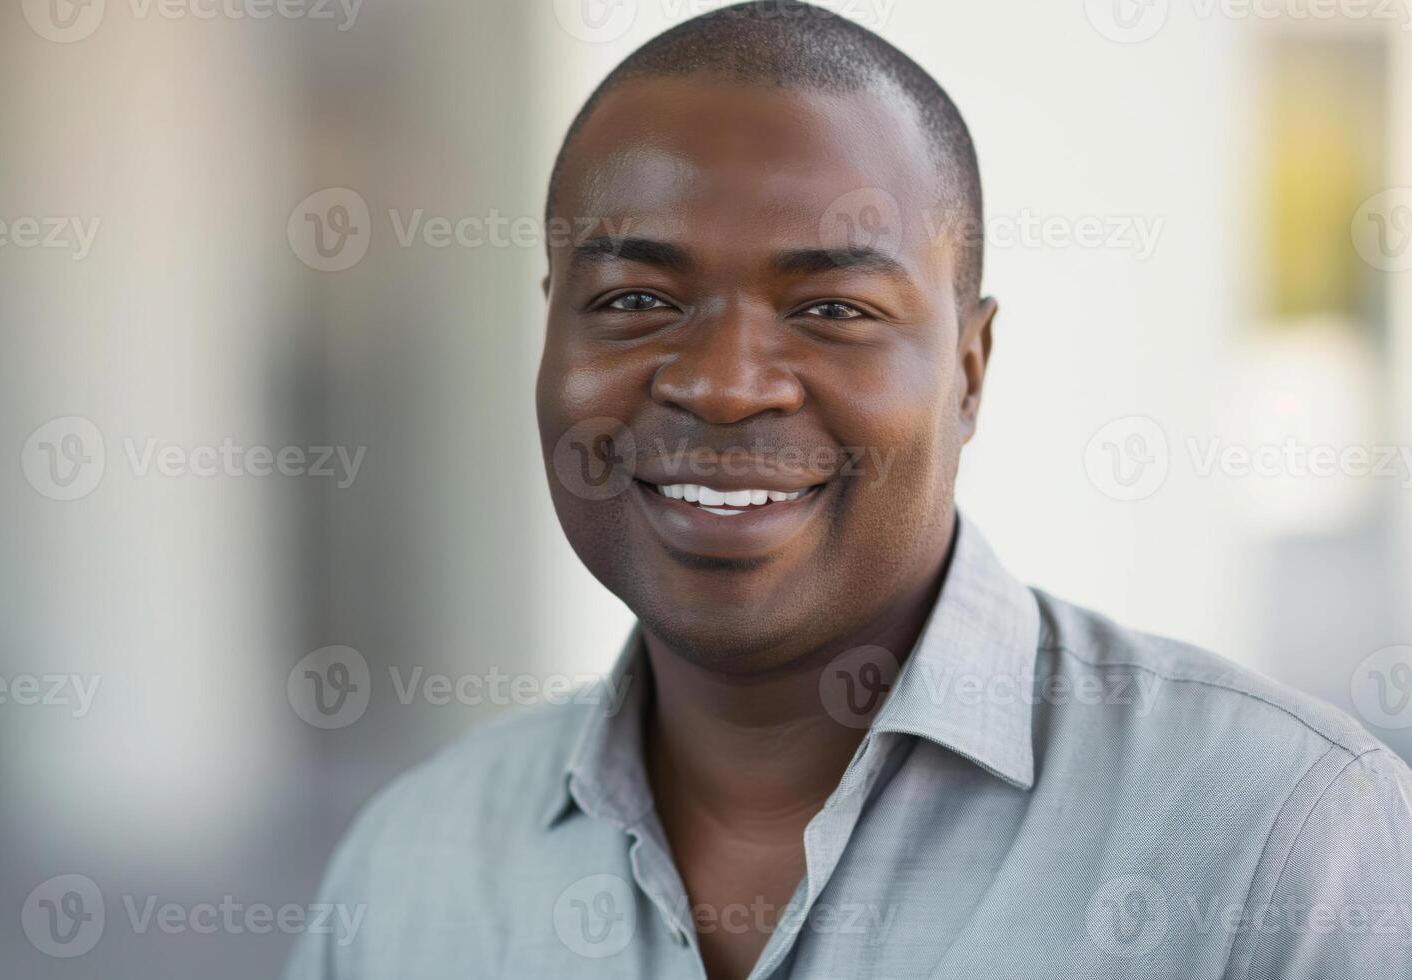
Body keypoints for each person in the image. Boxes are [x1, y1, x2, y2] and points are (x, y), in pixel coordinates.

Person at [288, 3, 1412, 977]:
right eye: (634, 300)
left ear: (968, 374)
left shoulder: (1277, 834)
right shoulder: (410, 868)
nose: (723, 386)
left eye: (832, 310)